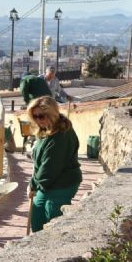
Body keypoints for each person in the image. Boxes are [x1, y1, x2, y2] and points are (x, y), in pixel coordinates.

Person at [26, 96, 82, 232]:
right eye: (35, 116)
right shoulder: (47, 130)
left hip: (62, 184)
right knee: (36, 216)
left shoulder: (59, 137)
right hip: (47, 184)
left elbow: (48, 168)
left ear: (51, 114)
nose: (38, 120)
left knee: (53, 221)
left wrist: (33, 185)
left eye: (42, 116)